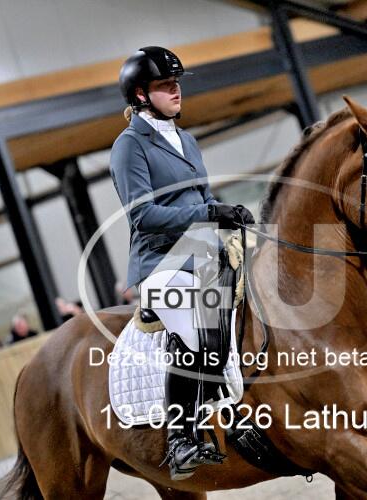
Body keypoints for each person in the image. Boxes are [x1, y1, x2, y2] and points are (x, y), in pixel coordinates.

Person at [111, 46, 254, 480]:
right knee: (198, 326)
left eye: (176, 83)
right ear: (140, 95)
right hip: (160, 264)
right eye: (165, 85)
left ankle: (240, 406)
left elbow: (202, 197)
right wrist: (208, 213)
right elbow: (143, 216)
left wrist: (226, 216)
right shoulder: (129, 146)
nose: (176, 91)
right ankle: (181, 438)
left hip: (202, 253)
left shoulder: (186, 139)